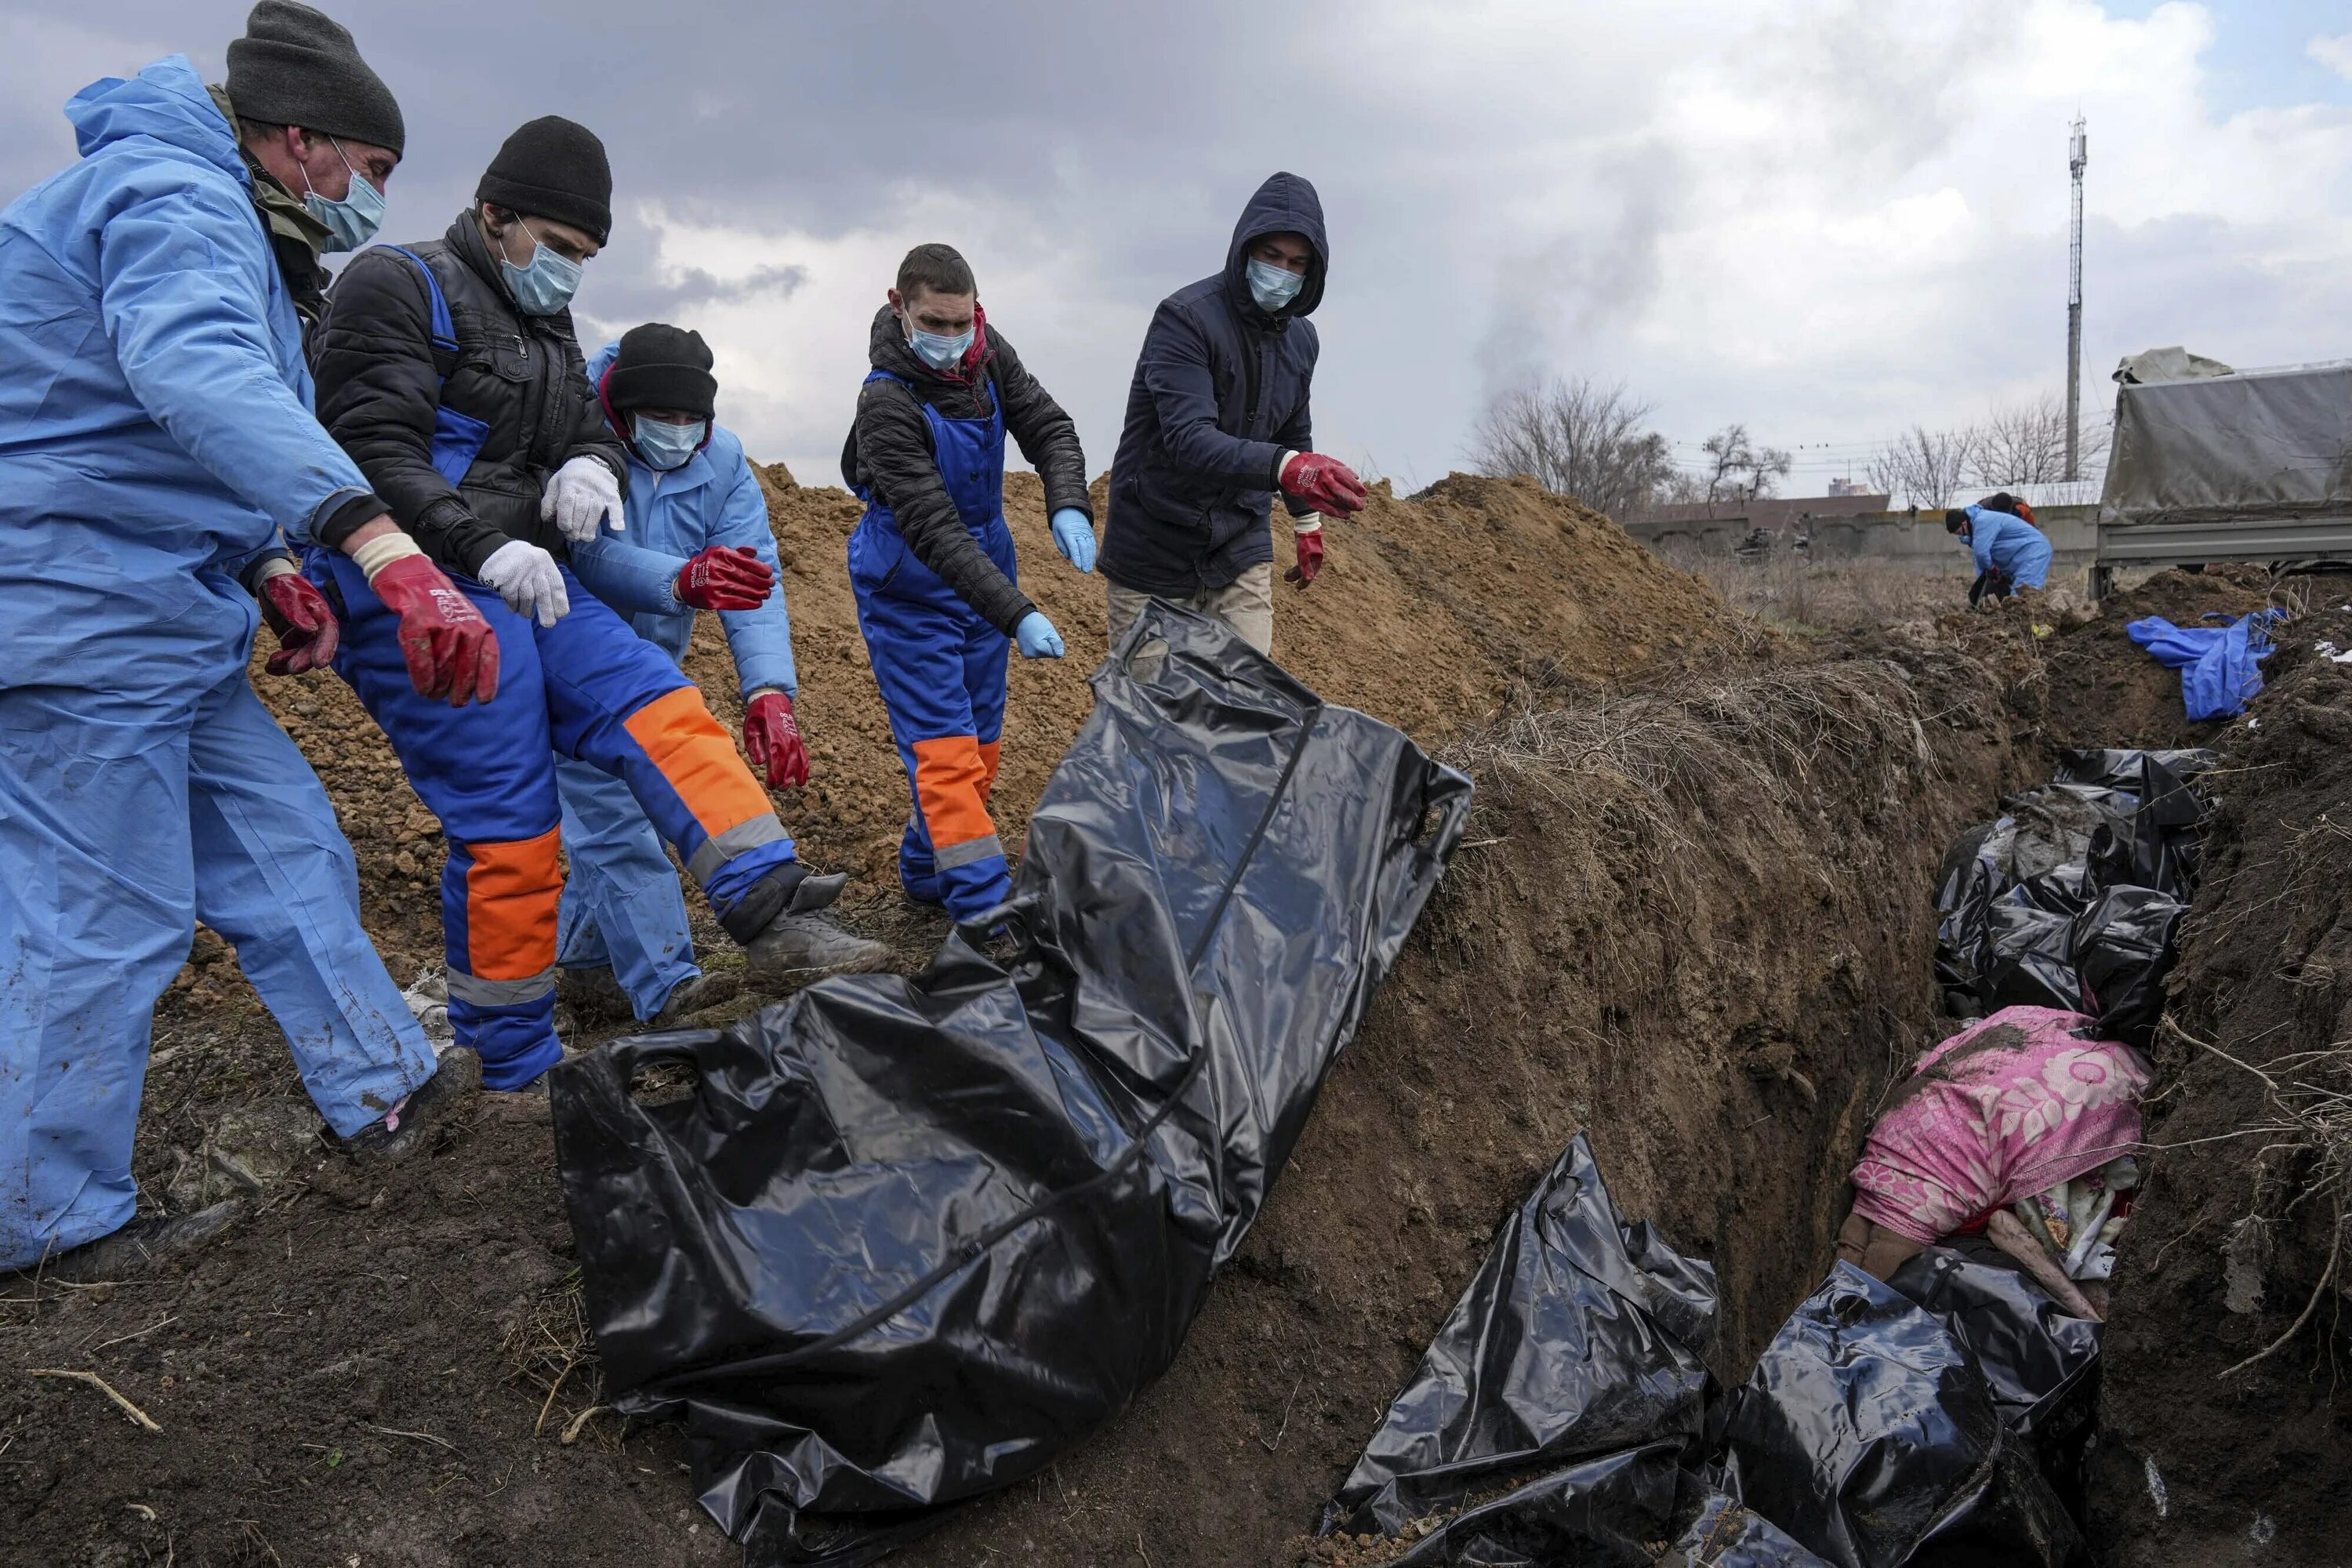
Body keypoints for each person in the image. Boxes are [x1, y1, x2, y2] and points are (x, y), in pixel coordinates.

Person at [0, 5, 491, 1274]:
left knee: (288, 849)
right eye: (372, 173)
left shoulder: (234, 231)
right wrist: (376, 545)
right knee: (102, 910)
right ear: (300, 140)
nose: (372, 200)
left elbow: (155, 435)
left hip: (160, 609)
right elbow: (196, 378)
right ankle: (46, 1223)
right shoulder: (174, 194)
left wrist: (272, 563)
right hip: (67, 604)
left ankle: (386, 1096)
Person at [310, 117, 886, 1093]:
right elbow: (370, 447)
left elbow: (587, 423)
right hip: (417, 580)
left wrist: (588, 459)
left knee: (659, 702)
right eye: (564, 248)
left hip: (529, 574)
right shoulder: (394, 284)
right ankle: (515, 1064)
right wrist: (480, 544)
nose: (572, 271)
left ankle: (775, 908)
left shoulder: (544, 321)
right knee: (513, 824)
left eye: (586, 256)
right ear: (495, 216)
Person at [550, 324, 808, 1025]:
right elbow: (583, 553)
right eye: (661, 419)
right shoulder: (578, 443)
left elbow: (757, 577)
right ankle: (669, 988)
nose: (677, 432)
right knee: (613, 820)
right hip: (569, 659)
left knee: (610, 816)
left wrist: (768, 690)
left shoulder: (721, 461)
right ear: (622, 408)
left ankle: (586, 968)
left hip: (652, 667)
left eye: (692, 420)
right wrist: (681, 579)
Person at [841, 243, 1093, 925]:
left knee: (980, 746)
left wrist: (1066, 497)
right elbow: (931, 526)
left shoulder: (989, 354)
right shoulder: (885, 402)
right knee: (945, 756)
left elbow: (1048, 425)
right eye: (935, 323)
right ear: (900, 308)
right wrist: (1017, 613)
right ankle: (985, 915)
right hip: (911, 585)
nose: (951, 340)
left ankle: (926, 868)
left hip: (986, 566)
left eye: (962, 324)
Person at [1099, 172, 1368, 654]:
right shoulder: (1185, 319)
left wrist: (1306, 522)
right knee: (1152, 717)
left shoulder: (1302, 339)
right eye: (1272, 256)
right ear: (1245, 250)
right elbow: (1188, 438)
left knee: (1247, 709)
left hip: (1238, 541)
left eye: (1297, 263)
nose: (1282, 271)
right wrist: (1286, 467)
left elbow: (1293, 428)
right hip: (1155, 541)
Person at [1947, 499, 2053, 604]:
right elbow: (1981, 559)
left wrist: (1992, 569)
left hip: (2033, 551)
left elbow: (1981, 553)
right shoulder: (1977, 528)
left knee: (2024, 595)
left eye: (1960, 532)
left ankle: (2028, 619)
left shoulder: (1982, 521)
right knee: (2016, 596)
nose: (1962, 536)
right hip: (2021, 554)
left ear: (1964, 523)